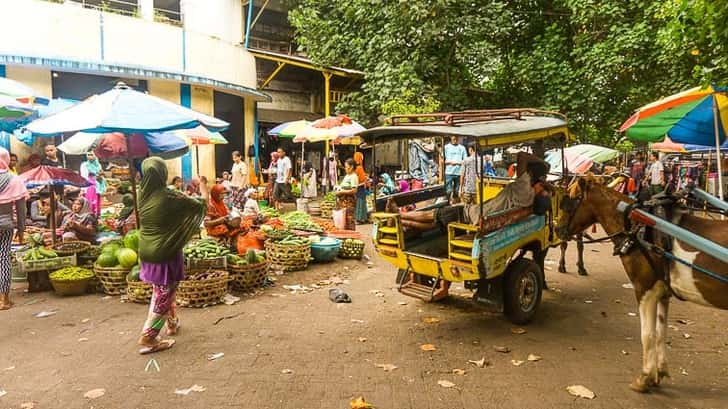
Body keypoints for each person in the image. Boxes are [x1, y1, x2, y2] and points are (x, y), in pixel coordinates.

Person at [137, 157, 206, 354]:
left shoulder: (143, 194)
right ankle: (148, 337)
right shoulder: (169, 196)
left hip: (147, 251)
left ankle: (172, 323)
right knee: (163, 294)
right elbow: (200, 204)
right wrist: (202, 185)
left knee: (163, 289)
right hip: (164, 252)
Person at [0, 147, 28, 310]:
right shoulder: (13, 179)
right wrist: (22, 229)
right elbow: (21, 209)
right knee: (3, 258)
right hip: (5, 225)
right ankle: (4, 300)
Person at [336, 158, 359, 231]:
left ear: (351, 167)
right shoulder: (347, 176)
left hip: (349, 201)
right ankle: (345, 234)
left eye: (346, 167)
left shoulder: (353, 176)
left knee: (349, 219)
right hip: (343, 201)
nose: (345, 168)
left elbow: (354, 190)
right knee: (343, 219)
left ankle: (351, 236)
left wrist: (342, 192)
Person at [443, 136, 467, 201]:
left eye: (456, 138)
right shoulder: (446, 147)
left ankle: (456, 203)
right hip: (448, 172)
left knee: (457, 190)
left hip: (459, 172)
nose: (455, 140)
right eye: (453, 138)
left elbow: (465, 160)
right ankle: (447, 202)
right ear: (451, 138)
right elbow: (442, 160)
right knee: (448, 190)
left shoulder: (462, 148)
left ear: (458, 138)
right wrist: (449, 162)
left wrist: (457, 163)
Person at [459, 143, 478, 208]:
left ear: (471, 149)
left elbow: (462, 175)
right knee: (477, 208)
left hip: (468, 189)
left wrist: (460, 189)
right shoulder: (482, 160)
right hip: (478, 189)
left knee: (466, 209)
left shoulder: (466, 160)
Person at [353, 152, 368, 223]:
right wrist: (365, 180)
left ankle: (360, 218)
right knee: (361, 203)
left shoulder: (354, 168)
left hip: (356, 188)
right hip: (360, 188)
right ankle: (360, 218)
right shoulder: (360, 168)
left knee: (359, 203)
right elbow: (362, 179)